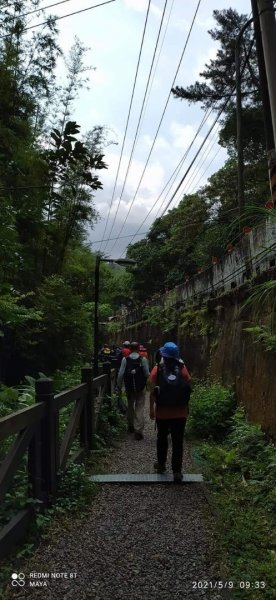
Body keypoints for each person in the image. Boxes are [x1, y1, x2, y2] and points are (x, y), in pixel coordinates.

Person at [148, 342, 191, 483]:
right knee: (178, 442)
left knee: (162, 439)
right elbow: (188, 383)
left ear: (163, 356)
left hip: (162, 413)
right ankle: (177, 471)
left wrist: (151, 408)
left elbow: (151, 387)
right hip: (180, 413)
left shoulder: (157, 369)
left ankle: (161, 465)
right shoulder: (182, 368)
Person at [117, 341, 149, 440]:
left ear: (130, 349)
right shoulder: (143, 359)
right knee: (139, 407)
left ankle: (130, 426)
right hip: (140, 388)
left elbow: (121, 374)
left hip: (129, 388)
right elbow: (147, 374)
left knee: (130, 406)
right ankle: (138, 430)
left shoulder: (125, 359)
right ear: (138, 349)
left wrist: (119, 386)